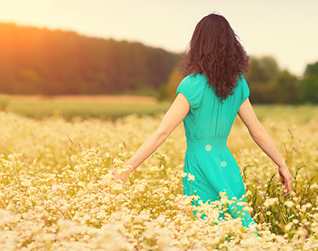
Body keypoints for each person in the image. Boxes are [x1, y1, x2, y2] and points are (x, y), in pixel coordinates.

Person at [110, 13, 293, 231]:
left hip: (200, 166)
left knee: (208, 233)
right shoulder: (238, 84)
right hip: (227, 166)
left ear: (198, 44)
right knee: (237, 231)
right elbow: (257, 130)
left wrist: (127, 168)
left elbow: (162, 133)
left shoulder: (192, 85)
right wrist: (281, 164)